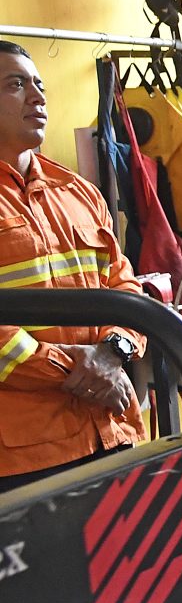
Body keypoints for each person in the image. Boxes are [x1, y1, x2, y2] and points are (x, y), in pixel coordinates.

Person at [0, 42, 148, 491]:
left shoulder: (78, 193)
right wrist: (70, 369)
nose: (37, 96)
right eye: (15, 85)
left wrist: (112, 353)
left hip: (114, 432)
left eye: (39, 84)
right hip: (26, 461)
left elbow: (124, 287)